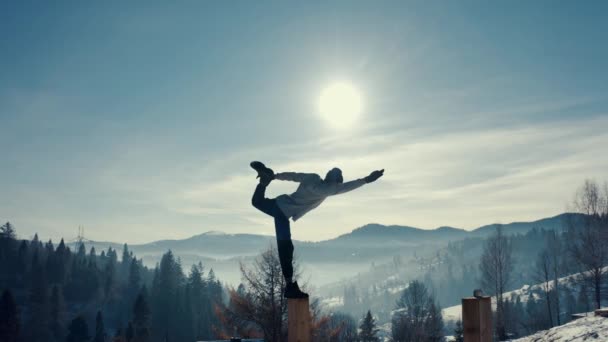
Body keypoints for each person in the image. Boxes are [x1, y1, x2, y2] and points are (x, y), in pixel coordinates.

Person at [250, 161, 384, 298]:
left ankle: (266, 179)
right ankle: (289, 286)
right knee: (285, 248)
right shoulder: (328, 189)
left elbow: (294, 176)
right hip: (283, 213)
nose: (338, 185)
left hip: (280, 202)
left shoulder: (313, 177)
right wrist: (366, 180)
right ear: (336, 181)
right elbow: (346, 187)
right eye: (338, 183)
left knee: (257, 202)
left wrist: (275, 176)